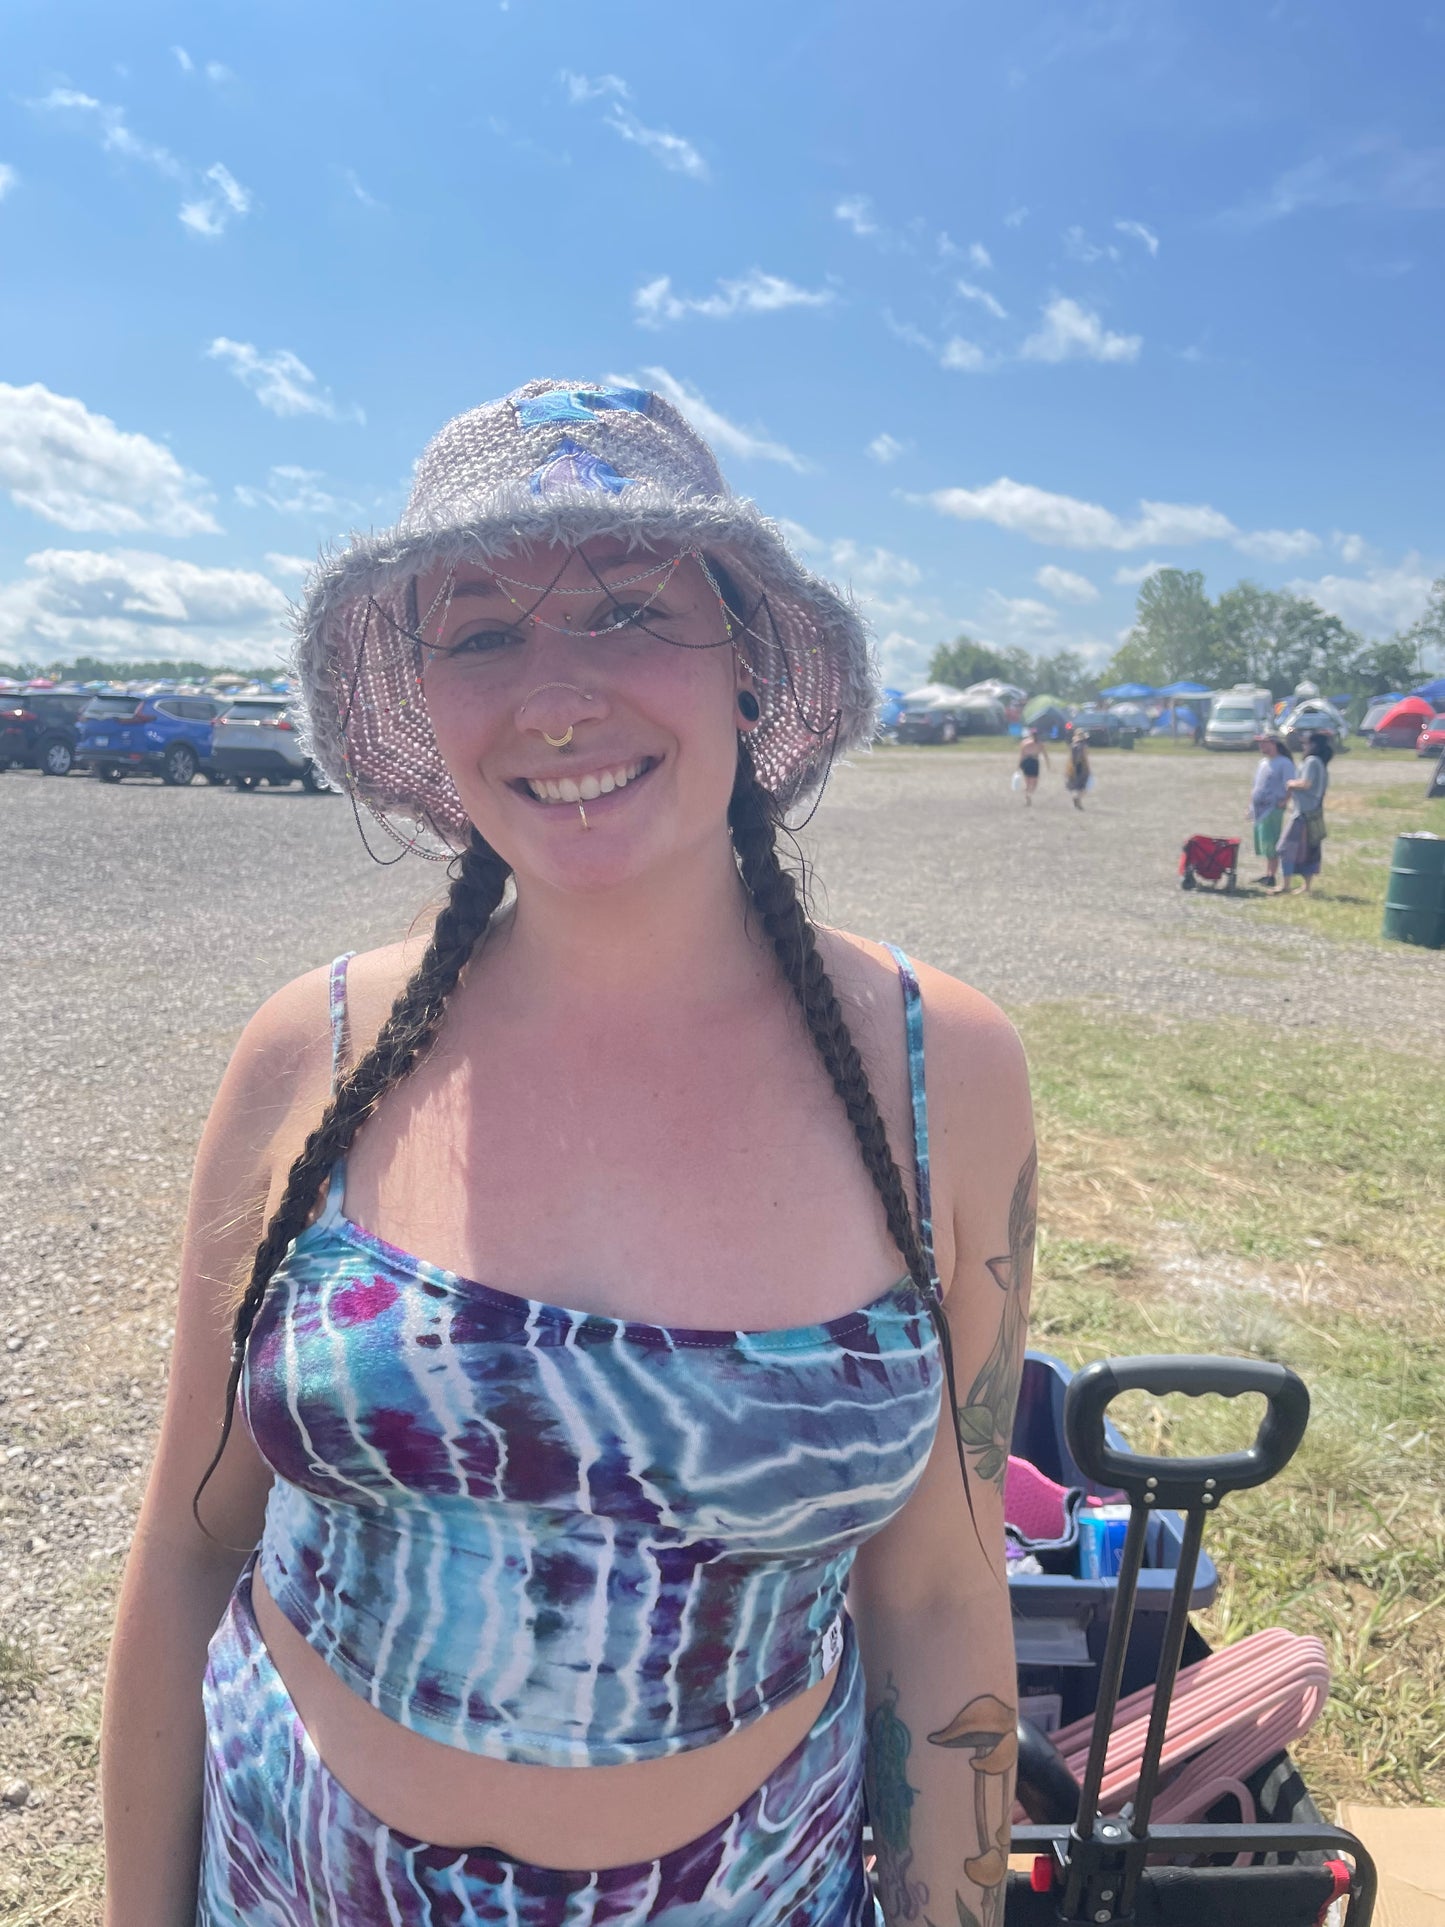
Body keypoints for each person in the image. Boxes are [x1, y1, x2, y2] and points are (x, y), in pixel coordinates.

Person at [100, 380, 1034, 1927]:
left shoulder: (943, 1071)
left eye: (622, 609)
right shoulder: (305, 1051)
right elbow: (191, 1541)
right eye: (477, 633)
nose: (554, 695)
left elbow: (937, 1589)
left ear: (749, 651)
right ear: (421, 694)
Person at [1274, 730, 1332, 894]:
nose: (1303, 746)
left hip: (1303, 814)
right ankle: (1306, 887)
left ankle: (1285, 885)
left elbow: (1305, 784)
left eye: (1305, 743)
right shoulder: (1321, 763)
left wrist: (1291, 783)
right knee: (1308, 851)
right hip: (1313, 812)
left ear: (1313, 745)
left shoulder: (1312, 761)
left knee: (1285, 848)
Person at [1248, 733, 1294, 887]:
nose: (1261, 746)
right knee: (1263, 842)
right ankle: (1267, 873)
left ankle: (1272, 875)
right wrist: (1250, 807)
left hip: (1273, 808)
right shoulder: (1263, 763)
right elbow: (1256, 784)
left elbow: (1290, 784)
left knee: (1271, 842)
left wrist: (1285, 800)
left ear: (1274, 744)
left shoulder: (1284, 763)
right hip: (1259, 809)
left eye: (1264, 743)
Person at [1018, 725, 1048, 803]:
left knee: (1029, 781)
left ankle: (1027, 793)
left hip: (1027, 761)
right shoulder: (1038, 744)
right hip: (1032, 761)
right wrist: (1048, 764)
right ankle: (1028, 794)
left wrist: (1019, 765)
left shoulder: (1025, 742)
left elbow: (1021, 755)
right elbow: (1045, 755)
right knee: (1033, 781)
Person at [1064, 731, 1091, 810]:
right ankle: (1078, 798)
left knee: (1074, 785)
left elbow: (1070, 758)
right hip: (1081, 766)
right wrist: (1088, 768)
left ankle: (1075, 797)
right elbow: (1084, 758)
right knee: (1083, 786)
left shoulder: (1072, 745)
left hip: (1072, 767)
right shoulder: (1083, 746)